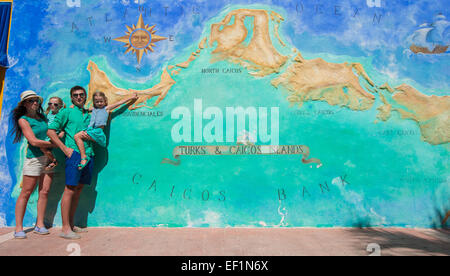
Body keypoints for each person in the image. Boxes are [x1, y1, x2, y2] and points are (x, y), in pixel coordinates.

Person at [47, 86, 95, 240]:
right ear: (71, 98)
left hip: (89, 155)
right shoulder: (66, 112)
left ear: (85, 96)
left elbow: (107, 108)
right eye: (76, 95)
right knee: (69, 189)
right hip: (74, 155)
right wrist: (64, 149)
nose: (79, 97)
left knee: (78, 189)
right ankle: (65, 228)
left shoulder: (88, 113)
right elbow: (50, 131)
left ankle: (72, 224)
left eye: (82, 95)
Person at [10, 90, 55, 239]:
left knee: (45, 192)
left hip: (48, 158)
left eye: (36, 100)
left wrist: (52, 147)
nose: (35, 103)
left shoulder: (43, 118)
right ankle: (18, 228)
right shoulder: (23, 120)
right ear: (24, 104)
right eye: (31, 101)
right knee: (26, 192)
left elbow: (49, 132)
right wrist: (54, 144)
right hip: (34, 159)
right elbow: (33, 141)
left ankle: (39, 224)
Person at [75, 91, 138, 169]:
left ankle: (84, 157)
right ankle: (85, 157)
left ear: (105, 101)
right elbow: (83, 109)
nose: (99, 103)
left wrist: (131, 97)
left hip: (97, 132)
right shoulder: (93, 109)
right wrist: (71, 106)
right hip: (91, 130)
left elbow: (120, 103)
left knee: (77, 136)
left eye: (101, 101)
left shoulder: (106, 108)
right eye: (97, 102)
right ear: (94, 102)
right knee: (82, 140)